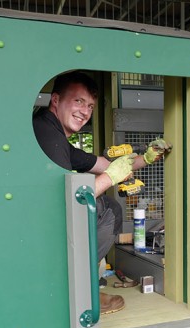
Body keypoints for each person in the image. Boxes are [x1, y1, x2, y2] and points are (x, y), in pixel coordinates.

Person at [33, 71, 171, 313]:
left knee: (109, 207)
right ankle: (81, 291)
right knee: (105, 209)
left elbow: (102, 164)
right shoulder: (48, 136)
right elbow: (66, 201)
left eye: (90, 106)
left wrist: (147, 158)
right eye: (78, 101)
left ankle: (83, 285)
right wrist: (109, 179)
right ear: (55, 100)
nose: (85, 111)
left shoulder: (53, 132)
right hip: (38, 230)